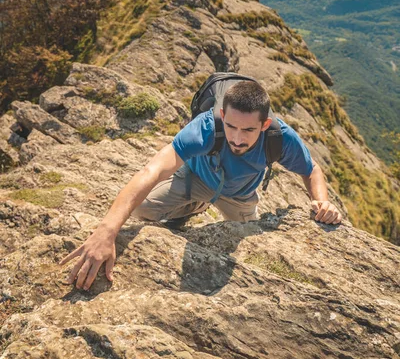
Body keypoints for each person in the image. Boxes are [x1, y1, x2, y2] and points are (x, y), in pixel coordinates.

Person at [60, 80, 342, 290]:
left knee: (247, 244)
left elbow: (311, 169)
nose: (237, 138)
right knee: (143, 209)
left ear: (265, 124)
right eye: (231, 126)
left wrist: (322, 201)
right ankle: (194, 206)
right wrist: (106, 231)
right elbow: (152, 170)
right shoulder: (205, 129)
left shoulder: (280, 138)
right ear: (222, 114)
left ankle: (199, 205)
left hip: (239, 196)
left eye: (248, 130)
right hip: (195, 180)